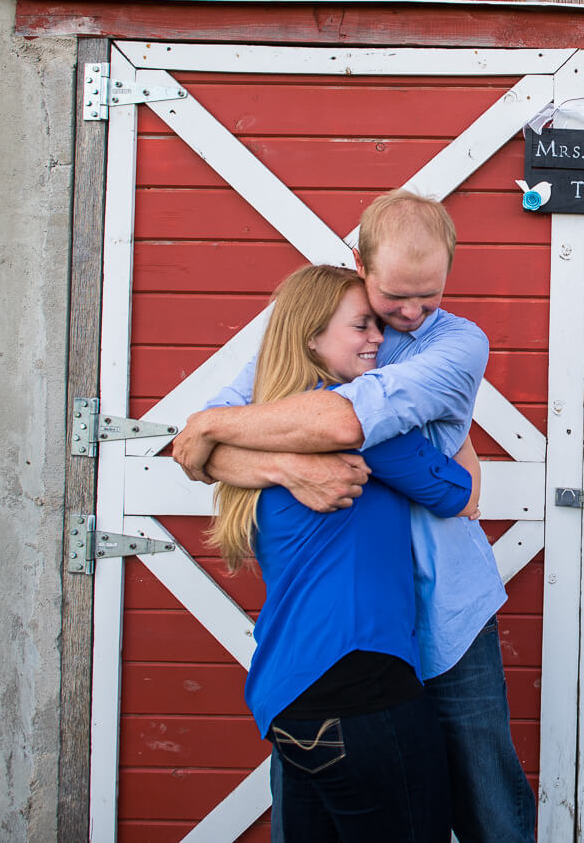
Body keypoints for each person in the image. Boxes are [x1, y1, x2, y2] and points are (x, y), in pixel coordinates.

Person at [174, 190, 536, 843]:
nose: (410, 313)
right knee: (324, 811)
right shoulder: (328, 321)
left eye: (430, 294)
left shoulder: (456, 343)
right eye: (395, 296)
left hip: (448, 610)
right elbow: (198, 455)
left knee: (488, 804)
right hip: (349, 635)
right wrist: (288, 465)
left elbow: (342, 420)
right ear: (359, 263)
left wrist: (220, 427)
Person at [210, 263, 477, 840]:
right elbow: (457, 492)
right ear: (312, 336)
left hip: (290, 695)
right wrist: (453, 423)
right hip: (365, 690)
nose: (379, 338)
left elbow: (196, 444)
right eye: (362, 325)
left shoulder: (252, 427)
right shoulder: (357, 422)